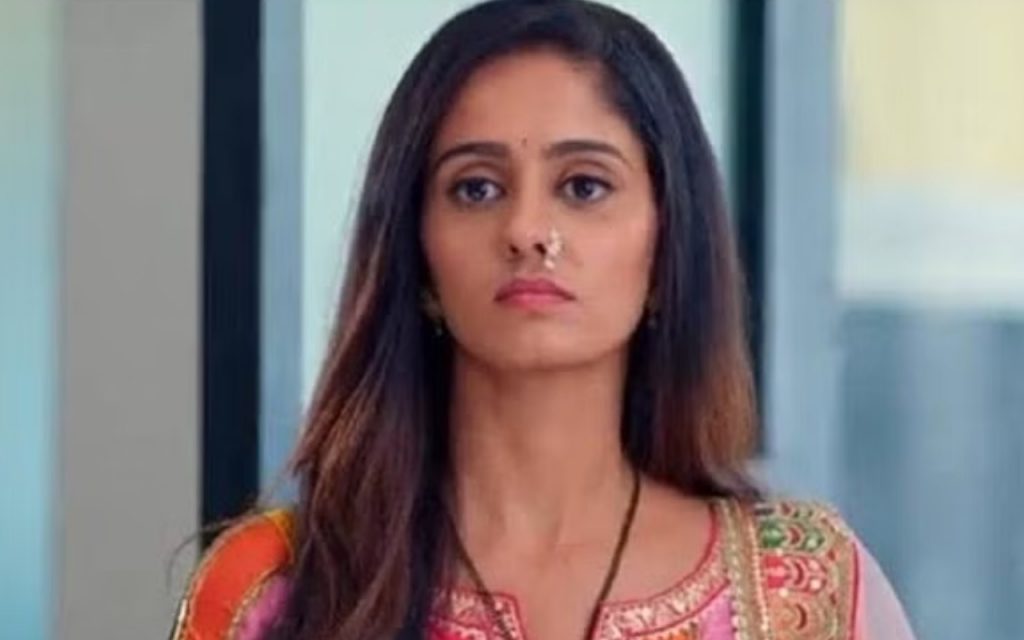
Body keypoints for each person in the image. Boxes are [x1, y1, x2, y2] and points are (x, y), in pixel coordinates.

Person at [170, 1, 916, 638]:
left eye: (584, 186)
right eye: (476, 188)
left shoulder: (806, 591)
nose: (528, 230)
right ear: (416, 254)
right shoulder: (277, 589)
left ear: (668, 246)